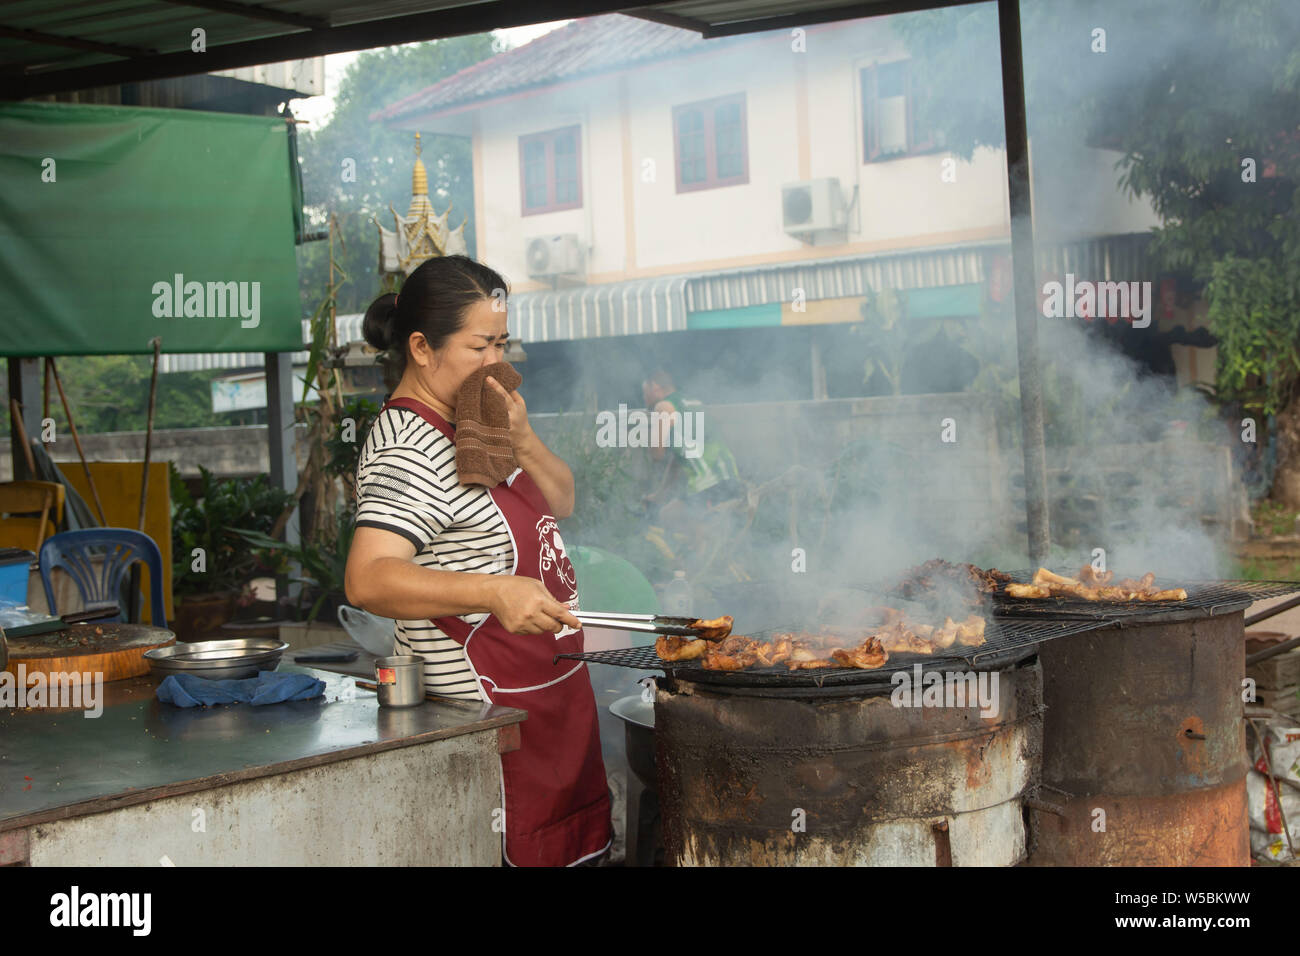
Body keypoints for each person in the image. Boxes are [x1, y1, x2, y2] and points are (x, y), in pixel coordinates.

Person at [344, 255, 611, 867]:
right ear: (421, 347)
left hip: (552, 696)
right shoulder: (407, 445)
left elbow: (562, 498)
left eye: (503, 343)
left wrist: (522, 436)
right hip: (487, 719)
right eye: (481, 345)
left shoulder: (475, 420)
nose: (499, 363)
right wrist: (493, 592)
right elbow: (368, 578)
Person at [641, 369, 742, 526]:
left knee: (667, 516)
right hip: (730, 479)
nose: (644, 399)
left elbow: (657, 455)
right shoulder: (693, 402)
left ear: (655, 387)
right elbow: (677, 461)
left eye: (644, 392)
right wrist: (659, 494)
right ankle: (707, 543)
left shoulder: (664, 406)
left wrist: (651, 432)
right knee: (682, 517)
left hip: (710, 484)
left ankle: (702, 546)